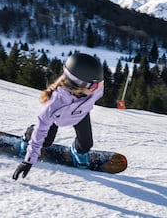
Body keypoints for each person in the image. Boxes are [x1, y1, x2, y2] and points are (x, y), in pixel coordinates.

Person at [12, 52, 104, 180]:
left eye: (100, 82)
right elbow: (41, 129)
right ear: (78, 85)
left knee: (86, 144)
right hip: (58, 118)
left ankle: (77, 152)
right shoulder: (55, 103)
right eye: (94, 85)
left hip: (81, 113)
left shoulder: (95, 87)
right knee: (46, 141)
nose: (99, 87)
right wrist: (28, 160)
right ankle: (27, 136)